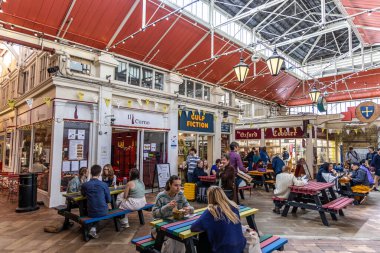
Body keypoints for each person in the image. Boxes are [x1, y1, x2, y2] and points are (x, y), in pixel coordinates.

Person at [190, 186, 247, 253]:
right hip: (239, 246)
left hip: (223, 249)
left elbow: (194, 228)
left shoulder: (211, 211)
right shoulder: (234, 207)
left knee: (203, 235)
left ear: (210, 197)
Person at [152, 175, 194, 253]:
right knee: (173, 239)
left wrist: (189, 209)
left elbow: (190, 207)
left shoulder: (180, 194)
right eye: (176, 185)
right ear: (169, 184)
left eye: (180, 185)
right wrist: (167, 207)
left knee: (182, 238)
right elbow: (154, 214)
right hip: (159, 229)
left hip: (174, 226)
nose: (178, 188)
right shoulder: (161, 196)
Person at [81, 165, 111, 239]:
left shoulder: (85, 185)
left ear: (91, 173)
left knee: (87, 206)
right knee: (97, 206)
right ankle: (92, 229)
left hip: (91, 212)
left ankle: (91, 228)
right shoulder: (104, 185)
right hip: (104, 211)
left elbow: (83, 195)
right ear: (100, 173)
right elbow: (109, 200)